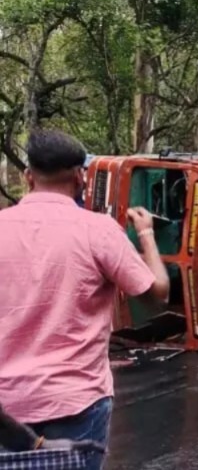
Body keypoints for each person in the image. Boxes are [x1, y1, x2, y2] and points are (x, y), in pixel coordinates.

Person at [0, 129, 170, 470]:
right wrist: (147, 234)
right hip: (77, 401)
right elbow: (157, 295)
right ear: (81, 176)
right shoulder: (98, 230)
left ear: (27, 176)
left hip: (6, 409)